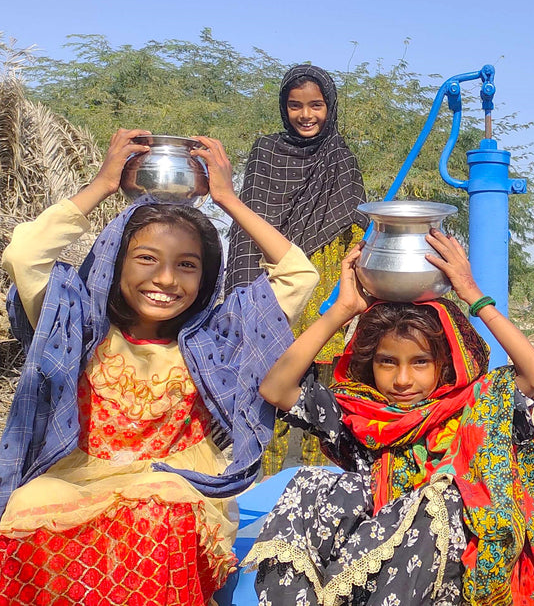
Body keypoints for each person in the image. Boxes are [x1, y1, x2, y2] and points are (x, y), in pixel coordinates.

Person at [0, 129, 319, 603]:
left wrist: (227, 198)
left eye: (187, 265)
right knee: (29, 503)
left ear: (207, 276)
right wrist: (104, 184)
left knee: (155, 503)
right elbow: (23, 254)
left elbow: (299, 275)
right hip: (81, 478)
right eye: (147, 259)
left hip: (174, 490)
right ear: (115, 263)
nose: (165, 279)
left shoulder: (217, 338)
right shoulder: (79, 325)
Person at [244, 230, 534, 605]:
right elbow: (276, 388)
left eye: (420, 362)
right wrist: (344, 309)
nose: (402, 379)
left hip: (443, 578)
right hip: (363, 570)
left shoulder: (474, 405)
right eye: (387, 362)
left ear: (444, 364)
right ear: (370, 362)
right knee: (312, 484)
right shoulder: (358, 413)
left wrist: (472, 294)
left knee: (443, 498)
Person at [226, 64, 370, 475]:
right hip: (275, 278)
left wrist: (354, 280)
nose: (306, 115)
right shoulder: (266, 152)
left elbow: (355, 225)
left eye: (316, 105)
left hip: (324, 280)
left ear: (330, 107)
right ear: (283, 108)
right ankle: (256, 476)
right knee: (267, 375)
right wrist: (241, 287)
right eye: (295, 106)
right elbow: (246, 223)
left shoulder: (340, 156)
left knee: (319, 387)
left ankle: (316, 477)